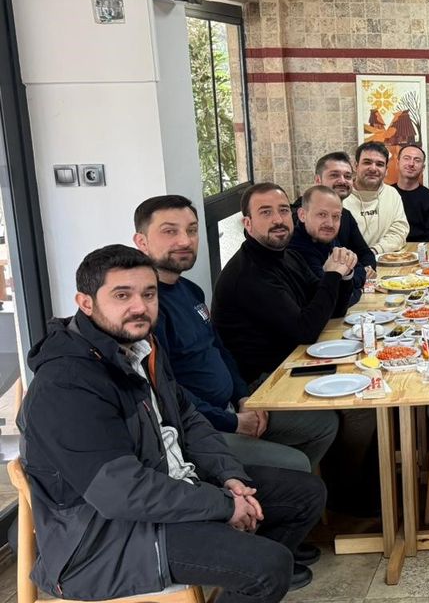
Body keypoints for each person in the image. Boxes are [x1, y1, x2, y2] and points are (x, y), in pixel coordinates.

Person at [18, 245, 327, 602]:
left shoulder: (141, 346)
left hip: (168, 490)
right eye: (122, 295)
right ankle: (246, 569)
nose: (139, 307)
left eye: (149, 294)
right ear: (85, 303)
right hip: (104, 539)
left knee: (306, 494)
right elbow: (121, 493)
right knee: (268, 567)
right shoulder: (67, 384)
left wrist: (230, 476)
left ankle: (234, 569)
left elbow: (188, 418)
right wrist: (224, 505)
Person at [135, 195, 338, 474]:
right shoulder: (146, 310)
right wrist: (233, 422)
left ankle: (282, 492)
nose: (184, 240)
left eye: (191, 230)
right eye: (170, 231)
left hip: (234, 405)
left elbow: (220, 350)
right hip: (200, 429)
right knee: (296, 465)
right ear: (142, 241)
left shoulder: (189, 290)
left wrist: (243, 398)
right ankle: (282, 489)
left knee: (323, 424)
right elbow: (167, 393)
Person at [213, 183, 357, 386]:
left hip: (298, 360)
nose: (278, 220)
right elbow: (306, 331)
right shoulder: (248, 274)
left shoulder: (290, 256)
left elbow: (331, 310)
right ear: (248, 223)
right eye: (266, 212)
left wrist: (345, 273)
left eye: (283, 210)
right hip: (267, 382)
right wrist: (332, 275)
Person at [295, 152, 376, 282]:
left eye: (347, 176)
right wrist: (354, 276)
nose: (342, 181)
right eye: (334, 175)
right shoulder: (298, 220)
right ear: (318, 180)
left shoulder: (346, 215)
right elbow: (322, 283)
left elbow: (364, 254)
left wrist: (363, 270)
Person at [290, 184, 369, 303]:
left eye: (336, 216)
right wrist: (357, 291)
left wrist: (348, 282)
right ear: (302, 215)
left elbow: (360, 270)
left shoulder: (326, 238)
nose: (330, 224)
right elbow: (331, 298)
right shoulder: (295, 247)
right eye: (322, 214)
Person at [343, 141, 410, 255]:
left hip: (383, 258)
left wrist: (374, 251)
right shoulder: (342, 196)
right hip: (349, 262)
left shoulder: (392, 194)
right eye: (367, 162)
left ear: (386, 170)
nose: (373, 168)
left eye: (379, 164)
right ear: (355, 166)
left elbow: (399, 232)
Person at [394, 143, 429, 242]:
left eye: (417, 160)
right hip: (387, 248)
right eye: (406, 158)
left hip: (420, 249)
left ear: (423, 168)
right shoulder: (385, 194)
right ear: (397, 163)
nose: (411, 164)